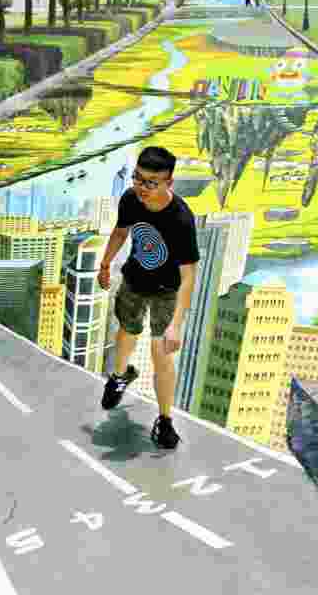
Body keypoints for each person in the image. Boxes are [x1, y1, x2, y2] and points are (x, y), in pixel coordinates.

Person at [97, 146, 199, 449]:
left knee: (161, 353)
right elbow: (121, 231)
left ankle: (165, 421)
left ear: (169, 182)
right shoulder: (131, 199)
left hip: (168, 293)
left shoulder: (180, 218)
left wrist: (176, 324)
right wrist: (105, 264)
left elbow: (189, 275)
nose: (141, 188)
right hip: (134, 281)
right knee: (127, 332)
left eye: (150, 182)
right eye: (137, 179)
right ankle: (120, 375)